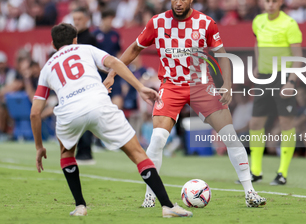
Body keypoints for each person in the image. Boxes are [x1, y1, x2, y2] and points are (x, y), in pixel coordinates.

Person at [104, 0, 266, 208]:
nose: (178, 3)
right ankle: (150, 195)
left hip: (202, 86)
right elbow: (134, 48)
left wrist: (227, 83)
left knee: (230, 136)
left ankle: (250, 193)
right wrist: (112, 73)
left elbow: (222, 54)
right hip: (170, 87)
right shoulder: (157, 22)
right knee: (158, 139)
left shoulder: (206, 23)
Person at [30, 23, 193, 218]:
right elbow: (115, 62)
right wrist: (140, 88)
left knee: (66, 152)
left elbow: (35, 113)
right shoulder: (86, 49)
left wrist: (39, 146)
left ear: (53, 44)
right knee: (137, 153)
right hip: (99, 104)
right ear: (75, 40)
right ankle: (167, 206)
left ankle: (80, 206)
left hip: (68, 111)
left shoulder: (47, 67)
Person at [248, 0, 303, 185]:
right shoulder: (258, 21)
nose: (270, 4)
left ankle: (282, 173)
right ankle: (255, 171)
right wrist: (257, 65)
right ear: (263, 2)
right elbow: (257, 43)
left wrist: (291, 81)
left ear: (281, 2)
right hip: (264, 77)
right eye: (267, 1)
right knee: (255, 123)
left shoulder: (289, 24)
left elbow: (298, 57)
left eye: (274, 1)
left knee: (286, 123)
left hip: (283, 77)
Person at [72, 7, 97, 164]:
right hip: (75, 84)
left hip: (86, 83)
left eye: (79, 19)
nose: (76, 22)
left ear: (87, 20)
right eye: (74, 19)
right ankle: (80, 150)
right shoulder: (74, 38)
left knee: (85, 117)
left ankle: (85, 152)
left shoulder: (89, 39)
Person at [92, 9, 123, 109]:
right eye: (108, 20)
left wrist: (116, 67)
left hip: (114, 73)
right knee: (100, 102)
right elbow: (92, 56)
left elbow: (118, 52)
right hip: (99, 74)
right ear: (103, 20)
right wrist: (103, 68)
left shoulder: (115, 35)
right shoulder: (94, 35)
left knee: (117, 101)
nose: (110, 22)